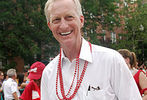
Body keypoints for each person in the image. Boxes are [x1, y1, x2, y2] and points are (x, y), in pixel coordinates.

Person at [41, 0, 142, 99]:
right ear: (50, 26)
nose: (63, 25)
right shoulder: (49, 73)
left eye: (69, 17)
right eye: (56, 20)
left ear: (81, 21)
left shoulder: (111, 61)